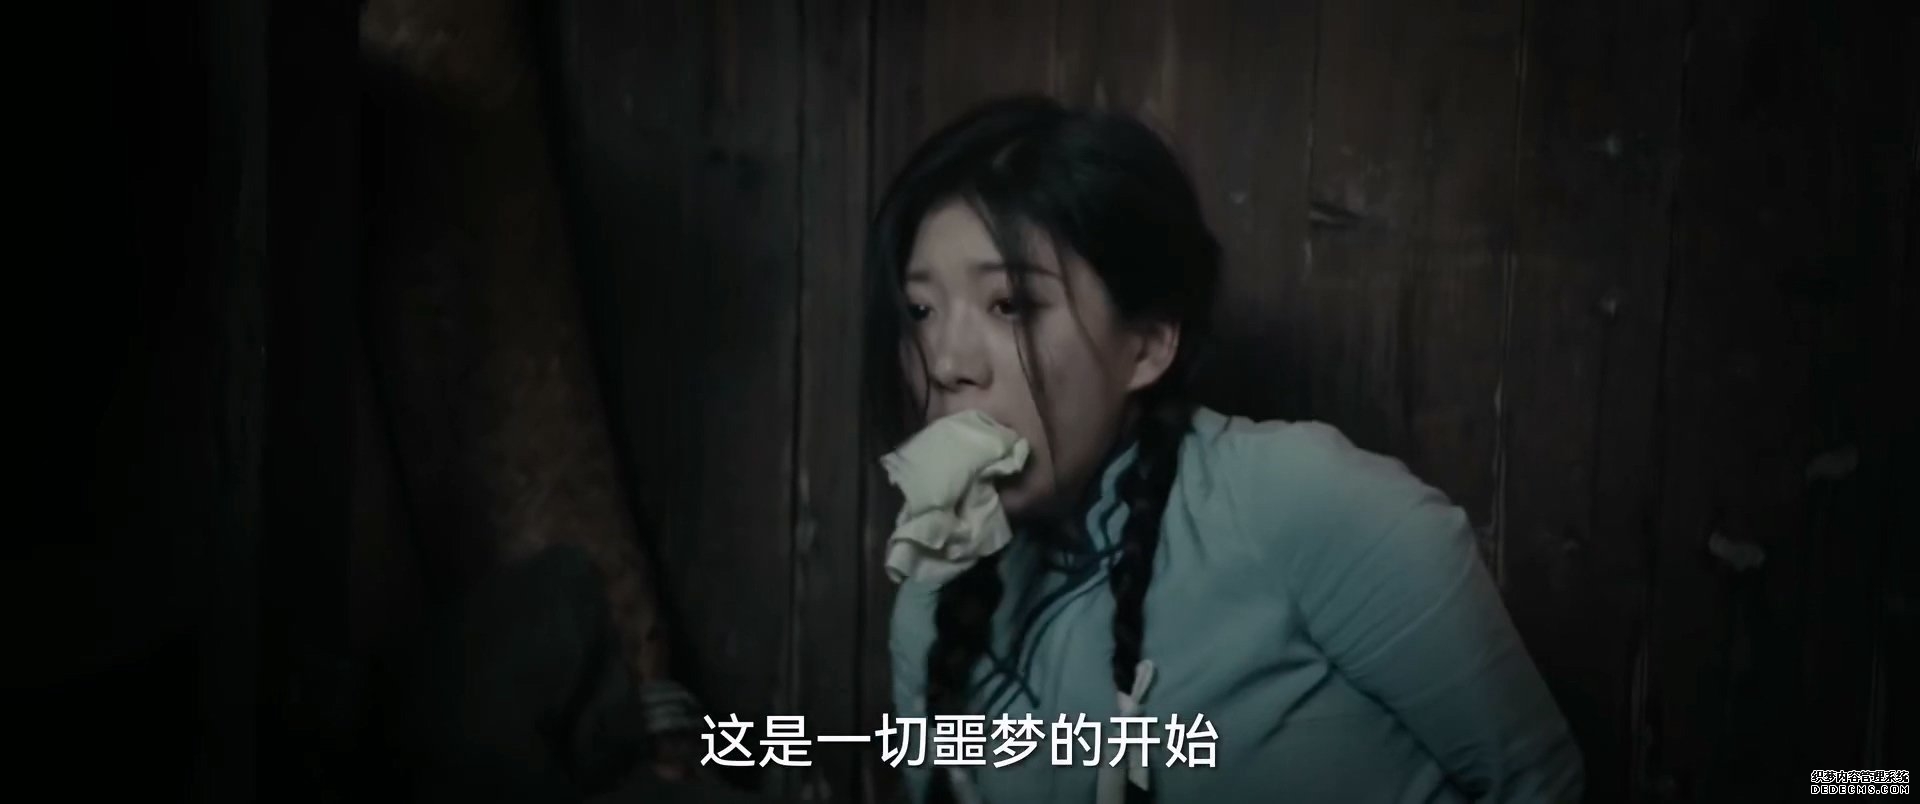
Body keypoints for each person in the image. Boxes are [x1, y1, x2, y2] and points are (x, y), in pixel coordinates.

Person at [869, 95, 1584, 804]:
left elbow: (1540, 786)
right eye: (922, 311)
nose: (946, 361)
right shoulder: (929, 610)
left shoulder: (1302, 502)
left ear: (1146, 344)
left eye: (1010, 305)